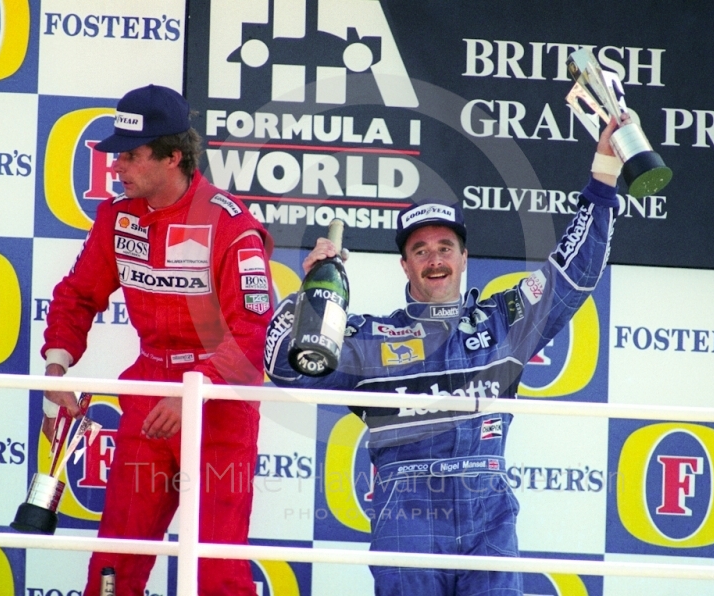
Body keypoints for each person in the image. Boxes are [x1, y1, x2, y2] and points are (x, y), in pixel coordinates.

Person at [264, 117, 624, 595]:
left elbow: (572, 275)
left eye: (445, 247)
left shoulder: (505, 320)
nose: (435, 259)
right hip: (406, 513)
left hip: (488, 514)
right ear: (405, 264)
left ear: (464, 256)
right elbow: (284, 369)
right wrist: (309, 296)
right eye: (421, 250)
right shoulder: (370, 338)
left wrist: (603, 178)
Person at [40, 84, 273, 596]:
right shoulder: (118, 217)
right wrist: (55, 367)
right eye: (115, 155)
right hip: (148, 391)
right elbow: (78, 296)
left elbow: (254, 331)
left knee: (215, 571)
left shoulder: (232, 226)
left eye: (130, 155)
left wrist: (196, 390)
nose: (116, 167)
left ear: (173, 156)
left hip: (219, 402)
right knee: (114, 563)